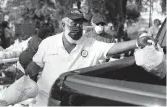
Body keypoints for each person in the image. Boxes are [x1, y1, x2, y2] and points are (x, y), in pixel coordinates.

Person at [24, 8, 155, 106]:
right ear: (63, 24)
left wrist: (137, 42)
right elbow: (33, 68)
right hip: (45, 101)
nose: (77, 26)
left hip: (72, 102)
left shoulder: (91, 44)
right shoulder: (48, 43)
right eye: (73, 23)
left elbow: (112, 48)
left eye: (80, 23)